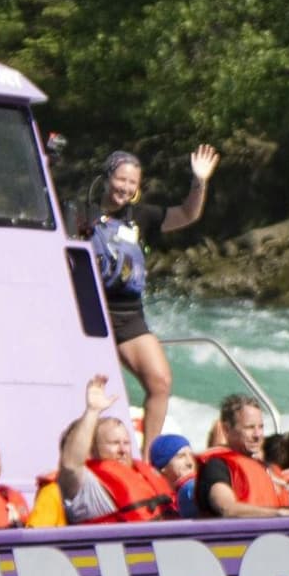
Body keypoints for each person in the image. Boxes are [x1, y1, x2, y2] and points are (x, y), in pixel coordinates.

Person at [84, 144, 219, 445]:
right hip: (88, 313)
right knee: (92, 387)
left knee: (160, 382)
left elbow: (188, 214)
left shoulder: (142, 215)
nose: (126, 188)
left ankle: (147, 458)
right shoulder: (81, 215)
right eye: (121, 179)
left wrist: (199, 181)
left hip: (128, 315)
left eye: (132, 183)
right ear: (106, 178)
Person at [57, 375, 179, 523]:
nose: (123, 450)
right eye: (114, 443)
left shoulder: (146, 474)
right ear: (92, 450)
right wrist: (92, 411)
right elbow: (70, 464)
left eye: (126, 443)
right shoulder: (85, 485)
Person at [197, 395, 289, 517]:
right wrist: (279, 513)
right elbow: (226, 507)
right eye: (249, 427)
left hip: (277, 526)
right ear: (227, 429)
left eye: (261, 427)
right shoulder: (216, 467)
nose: (258, 435)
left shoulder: (265, 469)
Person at [149, 433, 199, 518]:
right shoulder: (156, 502)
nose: (190, 463)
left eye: (191, 456)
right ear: (163, 466)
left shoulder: (193, 489)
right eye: (181, 456)